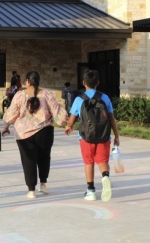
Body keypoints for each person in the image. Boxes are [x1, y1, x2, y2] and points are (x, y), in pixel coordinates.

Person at [2, 71, 68, 199]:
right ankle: (43, 184)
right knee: (44, 158)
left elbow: (12, 114)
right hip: (44, 132)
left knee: (28, 161)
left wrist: (6, 126)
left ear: (27, 82)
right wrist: (67, 123)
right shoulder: (47, 94)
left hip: (23, 134)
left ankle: (31, 190)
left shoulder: (19, 95)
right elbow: (58, 112)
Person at [65, 70, 120, 202]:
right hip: (103, 135)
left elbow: (72, 119)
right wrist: (116, 135)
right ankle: (105, 176)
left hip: (85, 137)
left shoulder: (79, 99)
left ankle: (91, 191)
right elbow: (111, 118)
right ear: (98, 83)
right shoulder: (105, 98)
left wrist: (69, 126)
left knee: (88, 162)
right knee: (102, 160)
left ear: (84, 83)